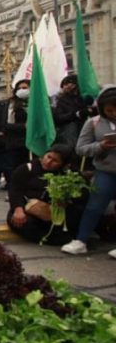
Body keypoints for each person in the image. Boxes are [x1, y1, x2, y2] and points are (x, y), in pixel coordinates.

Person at [62, 85, 116, 258]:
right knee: (94, 206)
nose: (114, 114)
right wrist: (100, 146)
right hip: (105, 172)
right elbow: (81, 148)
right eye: (110, 111)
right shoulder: (93, 123)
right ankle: (81, 241)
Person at [8, 144, 81, 245]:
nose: (48, 162)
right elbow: (15, 191)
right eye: (48, 157)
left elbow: (80, 194)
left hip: (54, 211)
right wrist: (18, 210)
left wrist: (65, 201)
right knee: (25, 223)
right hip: (28, 209)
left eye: (55, 161)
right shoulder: (27, 169)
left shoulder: (68, 174)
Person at [52, 74, 87, 148]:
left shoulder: (85, 98)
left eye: (68, 83)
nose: (65, 86)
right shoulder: (61, 100)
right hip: (70, 134)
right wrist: (76, 114)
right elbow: (58, 117)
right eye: (64, 85)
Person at [6, 79, 31, 171]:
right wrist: (24, 126)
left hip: (34, 142)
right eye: (19, 88)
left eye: (24, 88)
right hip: (17, 144)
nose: (22, 90)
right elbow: (7, 125)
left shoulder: (37, 103)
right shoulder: (11, 104)